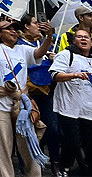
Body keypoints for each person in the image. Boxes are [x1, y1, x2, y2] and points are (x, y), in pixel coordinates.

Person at [0, 0, 54, 177]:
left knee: (28, 144)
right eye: (8, 28)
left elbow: (39, 53)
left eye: (15, 28)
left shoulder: (23, 50)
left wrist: (49, 37)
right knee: (3, 147)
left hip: (22, 104)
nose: (13, 31)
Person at [20, 13, 60, 173]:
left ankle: (55, 162)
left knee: (53, 129)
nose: (38, 26)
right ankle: (33, 165)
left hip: (47, 91)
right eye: (35, 23)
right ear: (26, 26)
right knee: (33, 130)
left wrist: (53, 59)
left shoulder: (44, 42)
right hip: (29, 94)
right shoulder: (19, 45)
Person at [49, 28, 92, 176]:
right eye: (79, 37)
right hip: (68, 108)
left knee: (89, 145)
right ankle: (64, 168)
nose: (83, 39)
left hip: (88, 110)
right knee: (72, 143)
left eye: (86, 37)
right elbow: (55, 75)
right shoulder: (66, 55)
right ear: (73, 41)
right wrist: (74, 75)